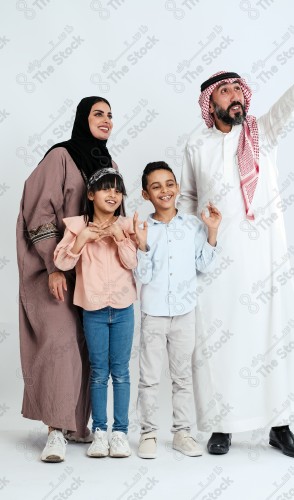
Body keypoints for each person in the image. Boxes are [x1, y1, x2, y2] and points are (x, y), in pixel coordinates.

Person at [177, 41, 294, 458]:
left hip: (267, 258)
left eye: (237, 89)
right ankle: (221, 426)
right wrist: (199, 237)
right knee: (219, 342)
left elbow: (284, 109)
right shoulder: (197, 145)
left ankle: (280, 426)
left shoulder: (260, 134)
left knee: (273, 336)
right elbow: (188, 198)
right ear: (211, 103)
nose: (234, 96)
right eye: (224, 91)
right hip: (220, 259)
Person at [16, 96, 117, 462]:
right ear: (82, 118)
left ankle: (76, 425)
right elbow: (38, 210)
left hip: (91, 275)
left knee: (86, 345)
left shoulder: (108, 164)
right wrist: (55, 266)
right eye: (98, 113)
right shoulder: (60, 156)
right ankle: (55, 431)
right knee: (59, 342)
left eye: (110, 115)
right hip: (53, 272)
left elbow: (113, 217)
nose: (106, 120)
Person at [133, 161, 222, 458]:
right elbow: (142, 277)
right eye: (156, 186)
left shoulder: (193, 226)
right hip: (153, 314)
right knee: (149, 377)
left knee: (182, 377)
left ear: (177, 188)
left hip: (184, 313)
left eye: (169, 184)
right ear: (146, 194)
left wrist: (211, 232)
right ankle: (147, 434)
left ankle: (182, 433)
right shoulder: (143, 230)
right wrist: (143, 246)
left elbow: (204, 265)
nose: (164, 190)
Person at [54, 168, 137, 458]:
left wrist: (119, 237)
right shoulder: (77, 226)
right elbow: (62, 263)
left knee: (122, 373)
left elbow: (132, 262)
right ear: (91, 195)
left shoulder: (126, 225)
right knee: (99, 373)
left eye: (117, 190)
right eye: (105, 189)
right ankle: (99, 431)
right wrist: (81, 240)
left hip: (124, 308)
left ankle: (121, 433)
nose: (112, 194)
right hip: (93, 310)